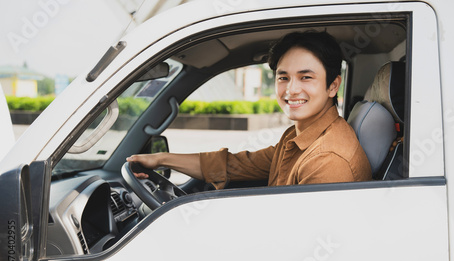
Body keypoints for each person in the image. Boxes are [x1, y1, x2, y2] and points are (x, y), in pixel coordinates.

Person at [127, 31, 372, 189]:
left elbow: (300, 239)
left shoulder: (327, 159)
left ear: (332, 86)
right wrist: (159, 159)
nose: (291, 90)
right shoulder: (297, 136)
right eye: (283, 77)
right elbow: (235, 165)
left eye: (306, 77)